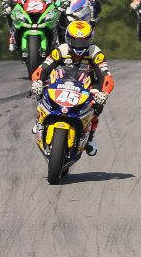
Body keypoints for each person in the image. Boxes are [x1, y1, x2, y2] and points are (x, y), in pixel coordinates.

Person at [29, 20, 114, 156]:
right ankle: (40, 119)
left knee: (98, 103)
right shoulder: (61, 50)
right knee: (41, 89)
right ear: (68, 38)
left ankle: (91, 135)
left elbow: (106, 76)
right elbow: (42, 69)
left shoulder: (95, 53)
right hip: (61, 80)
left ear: (90, 39)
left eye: (83, 41)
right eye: (75, 41)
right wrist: (37, 82)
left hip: (87, 83)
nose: (79, 46)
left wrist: (104, 93)